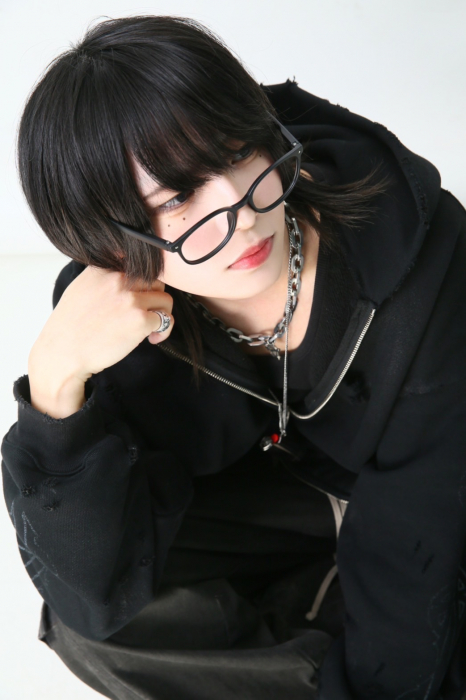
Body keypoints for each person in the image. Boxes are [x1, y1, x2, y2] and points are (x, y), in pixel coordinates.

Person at [2, 13, 466, 700]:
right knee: (102, 621)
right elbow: (90, 601)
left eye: (238, 151)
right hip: (316, 504)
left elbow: (415, 545)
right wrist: (55, 381)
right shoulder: (125, 315)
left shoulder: (420, 266)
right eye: (179, 196)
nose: (240, 211)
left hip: (441, 513)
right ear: (111, 244)